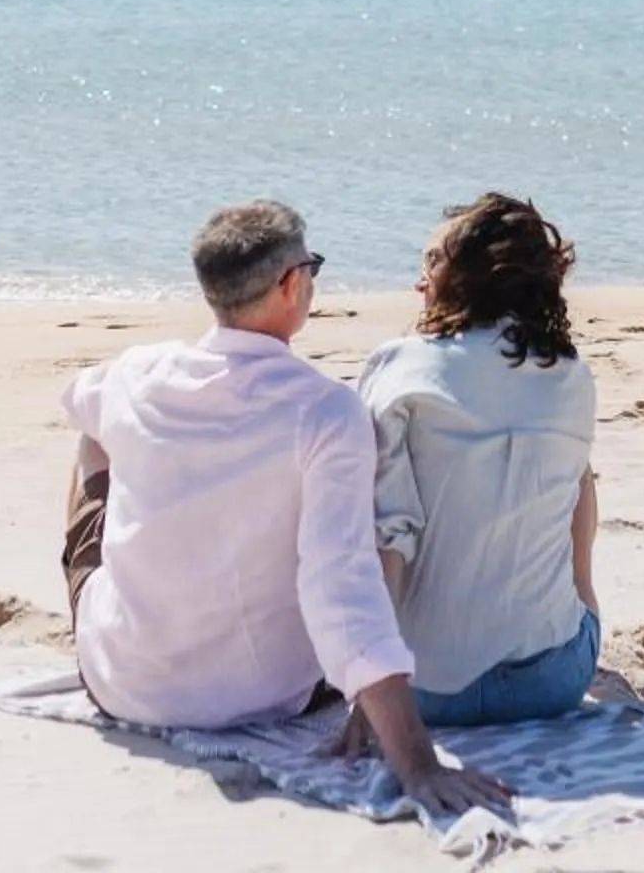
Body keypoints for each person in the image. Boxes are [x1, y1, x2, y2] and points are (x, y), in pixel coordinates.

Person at [59, 199, 511, 820]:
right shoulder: (325, 411)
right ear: (291, 284)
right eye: (313, 269)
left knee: (92, 439)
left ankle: (125, 616)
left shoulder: (136, 372)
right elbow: (341, 585)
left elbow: (75, 402)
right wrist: (417, 762)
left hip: (123, 684)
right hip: (265, 697)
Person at [352, 192, 601, 728]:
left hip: (425, 690)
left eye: (432, 262)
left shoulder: (400, 366)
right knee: (577, 474)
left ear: (474, 275)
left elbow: (387, 534)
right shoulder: (573, 375)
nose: (419, 281)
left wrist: (372, 686)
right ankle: (578, 609)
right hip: (553, 682)